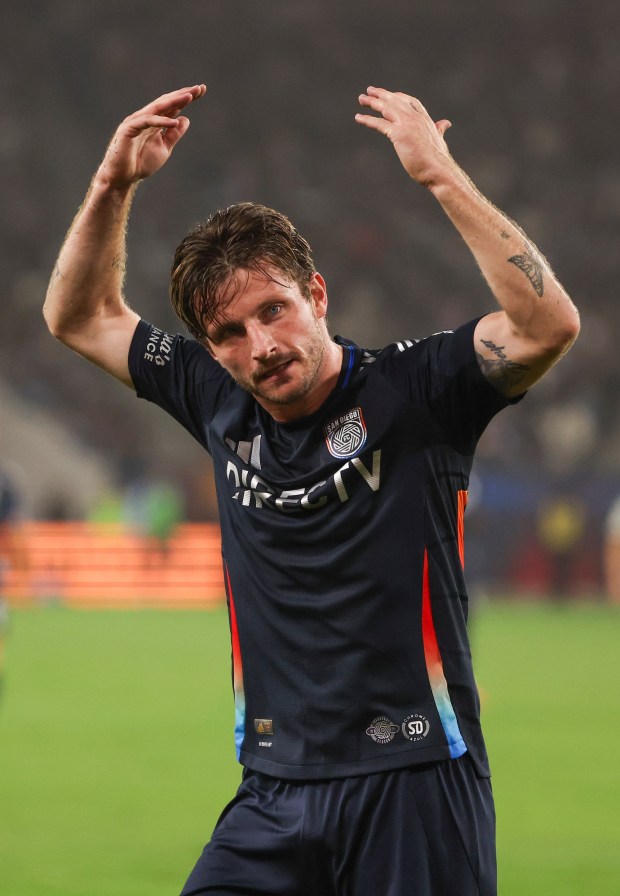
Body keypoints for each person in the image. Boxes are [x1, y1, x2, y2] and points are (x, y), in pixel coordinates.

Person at [43, 84, 579, 896]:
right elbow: (79, 315)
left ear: (317, 296)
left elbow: (548, 326)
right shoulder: (216, 400)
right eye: (228, 334)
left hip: (415, 778)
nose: (260, 347)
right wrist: (115, 183)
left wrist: (440, 176)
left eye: (275, 311)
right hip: (273, 790)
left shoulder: (418, 391)